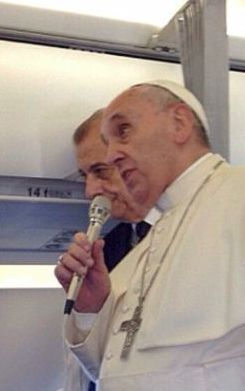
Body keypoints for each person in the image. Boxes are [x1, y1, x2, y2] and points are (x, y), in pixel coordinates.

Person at [61, 79, 245, 390]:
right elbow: (109, 370)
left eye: (123, 131)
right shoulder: (148, 245)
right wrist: (93, 307)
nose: (112, 156)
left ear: (179, 123)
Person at [55, 109, 158, 391]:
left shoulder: (187, 231)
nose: (90, 190)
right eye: (84, 176)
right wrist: (90, 310)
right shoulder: (109, 246)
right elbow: (105, 361)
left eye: (100, 171)